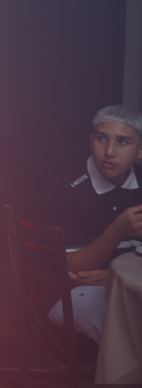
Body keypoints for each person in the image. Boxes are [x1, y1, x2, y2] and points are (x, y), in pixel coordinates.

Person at [48, 104, 142, 343]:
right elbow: (74, 269)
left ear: (140, 151)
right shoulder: (68, 189)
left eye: (123, 142)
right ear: (91, 142)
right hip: (75, 291)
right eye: (102, 139)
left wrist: (113, 278)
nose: (109, 151)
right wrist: (118, 229)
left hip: (131, 286)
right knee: (128, 330)